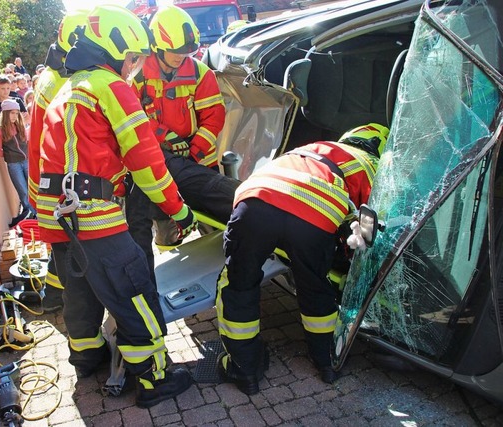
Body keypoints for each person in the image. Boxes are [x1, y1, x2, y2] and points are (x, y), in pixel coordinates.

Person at [38, 5, 197, 408]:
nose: (133, 68)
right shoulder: (110, 87)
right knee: (135, 293)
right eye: (132, 59)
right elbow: (148, 163)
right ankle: (154, 381)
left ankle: (89, 358)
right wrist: (179, 211)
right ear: (115, 49)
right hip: (96, 218)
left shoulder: (68, 87)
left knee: (88, 294)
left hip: (63, 219)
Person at [215, 123, 389, 395]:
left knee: (238, 283)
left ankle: (244, 369)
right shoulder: (373, 166)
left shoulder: (313, 148)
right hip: (315, 214)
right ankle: (326, 363)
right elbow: (369, 226)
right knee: (315, 287)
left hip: (256, 200)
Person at [127, 4, 230, 256]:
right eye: (175, 51)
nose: (181, 56)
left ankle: (219, 262)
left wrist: (194, 151)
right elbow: (132, 120)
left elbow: (214, 117)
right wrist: (164, 136)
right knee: (165, 227)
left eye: (186, 51)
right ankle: (169, 262)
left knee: (214, 221)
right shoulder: (137, 77)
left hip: (199, 162)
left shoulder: (199, 74)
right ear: (156, 46)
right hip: (158, 163)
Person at [27, 10, 89, 313]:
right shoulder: (60, 85)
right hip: (55, 181)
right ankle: (63, 303)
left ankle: (51, 298)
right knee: (67, 249)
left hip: (43, 178)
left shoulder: (51, 76)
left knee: (59, 244)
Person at [0, 99, 36, 226]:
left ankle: (36, 213)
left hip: (27, 160)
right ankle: (31, 214)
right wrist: (10, 156)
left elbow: (27, 141)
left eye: (16, 113)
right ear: (5, 113)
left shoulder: (20, 126)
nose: (15, 116)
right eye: (12, 113)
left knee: (32, 187)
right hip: (14, 164)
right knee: (22, 189)